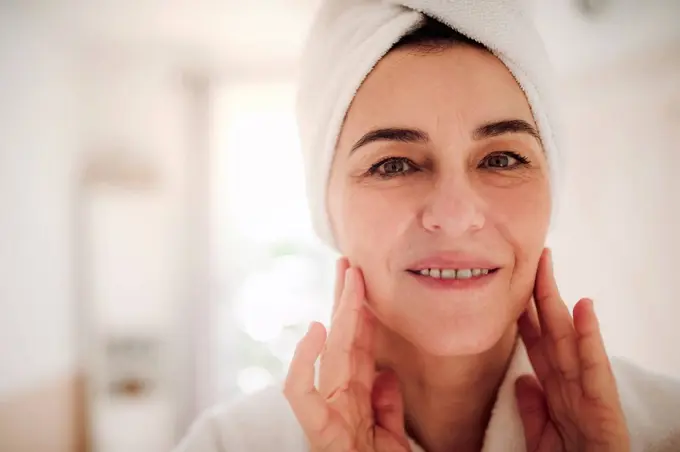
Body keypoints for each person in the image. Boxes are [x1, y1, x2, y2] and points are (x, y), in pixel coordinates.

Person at [175, 1, 680, 451]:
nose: (456, 216)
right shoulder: (228, 443)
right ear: (324, 207)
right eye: (393, 165)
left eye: (502, 158)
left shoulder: (665, 428)